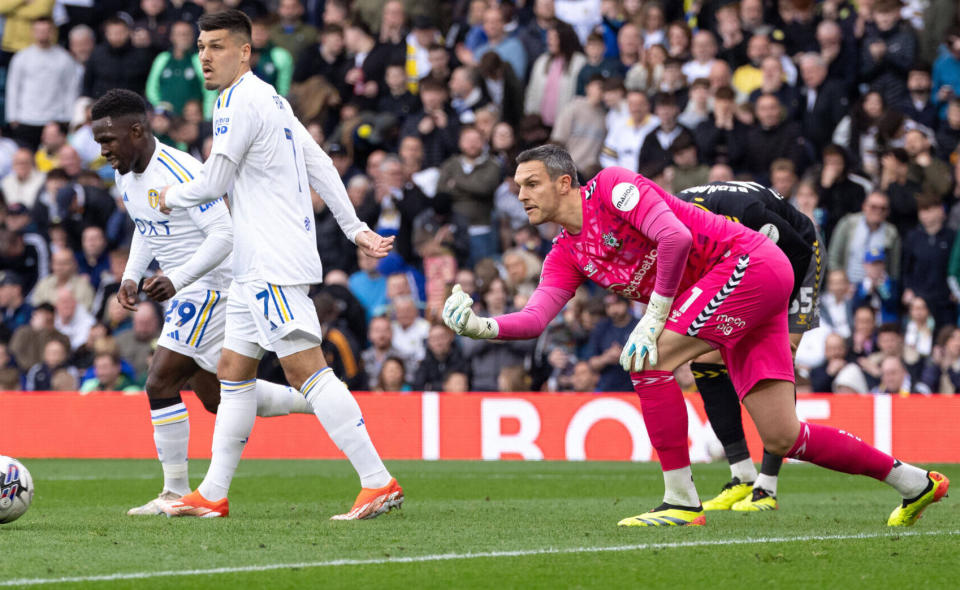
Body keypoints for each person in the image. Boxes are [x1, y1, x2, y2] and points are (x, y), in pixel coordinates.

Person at [443, 145, 947, 527]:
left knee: (648, 357)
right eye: (517, 187)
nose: (521, 195)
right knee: (782, 435)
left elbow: (676, 237)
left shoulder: (616, 187)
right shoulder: (565, 252)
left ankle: (681, 500)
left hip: (750, 264)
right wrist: (481, 327)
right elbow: (535, 317)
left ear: (565, 183)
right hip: (736, 292)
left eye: (530, 184)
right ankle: (915, 482)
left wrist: (653, 317)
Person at [156, 10, 401, 520]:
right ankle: (213, 493)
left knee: (305, 370)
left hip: (270, 261)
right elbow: (321, 163)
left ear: (245, 52)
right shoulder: (271, 97)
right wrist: (354, 227)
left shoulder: (237, 101)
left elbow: (215, 180)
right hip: (255, 263)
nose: (205, 55)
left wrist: (168, 197)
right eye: (201, 45)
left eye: (218, 46)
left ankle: (376, 480)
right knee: (233, 372)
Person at [91, 89, 316, 515]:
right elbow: (146, 224)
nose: (103, 151)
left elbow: (225, 234)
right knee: (218, 397)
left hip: (214, 287)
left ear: (136, 131)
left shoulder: (181, 170)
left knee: (160, 382)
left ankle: (174, 493)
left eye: (108, 141)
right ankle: (317, 399)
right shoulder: (126, 174)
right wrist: (131, 275)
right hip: (186, 291)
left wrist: (177, 277)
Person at [676, 180, 823, 512]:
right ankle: (741, 476)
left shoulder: (744, 212)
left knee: (782, 354)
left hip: (799, 255)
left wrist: (772, 312)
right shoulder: (678, 216)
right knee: (705, 362)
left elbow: (797, 250)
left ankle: (766, 488)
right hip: (751, 265)